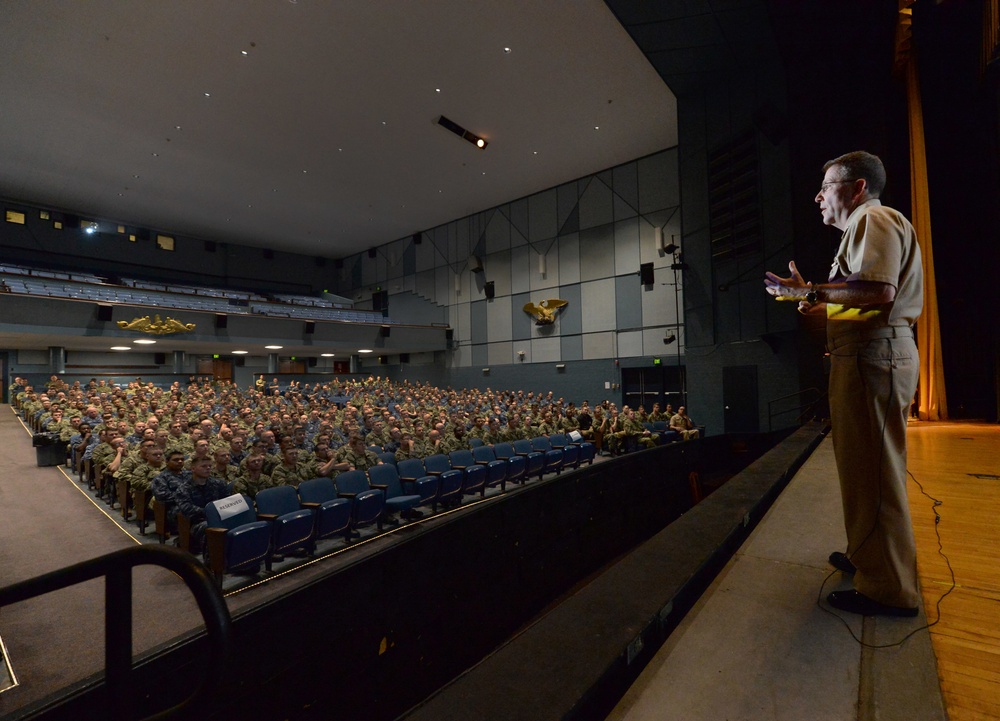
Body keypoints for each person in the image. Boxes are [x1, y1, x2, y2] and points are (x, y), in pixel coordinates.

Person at [764, 150, 922, 618]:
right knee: (861, 472)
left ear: (856, 188)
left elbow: (876, 295)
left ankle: (889, 590)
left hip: (873, 361)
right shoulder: (861, 228)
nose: (817, 195)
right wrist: (814, 304)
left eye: (827, 184)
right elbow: (862, 304)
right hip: (864, 360)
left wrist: (810, 292)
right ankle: (868, 558)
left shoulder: (873, 218)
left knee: (873, 474)